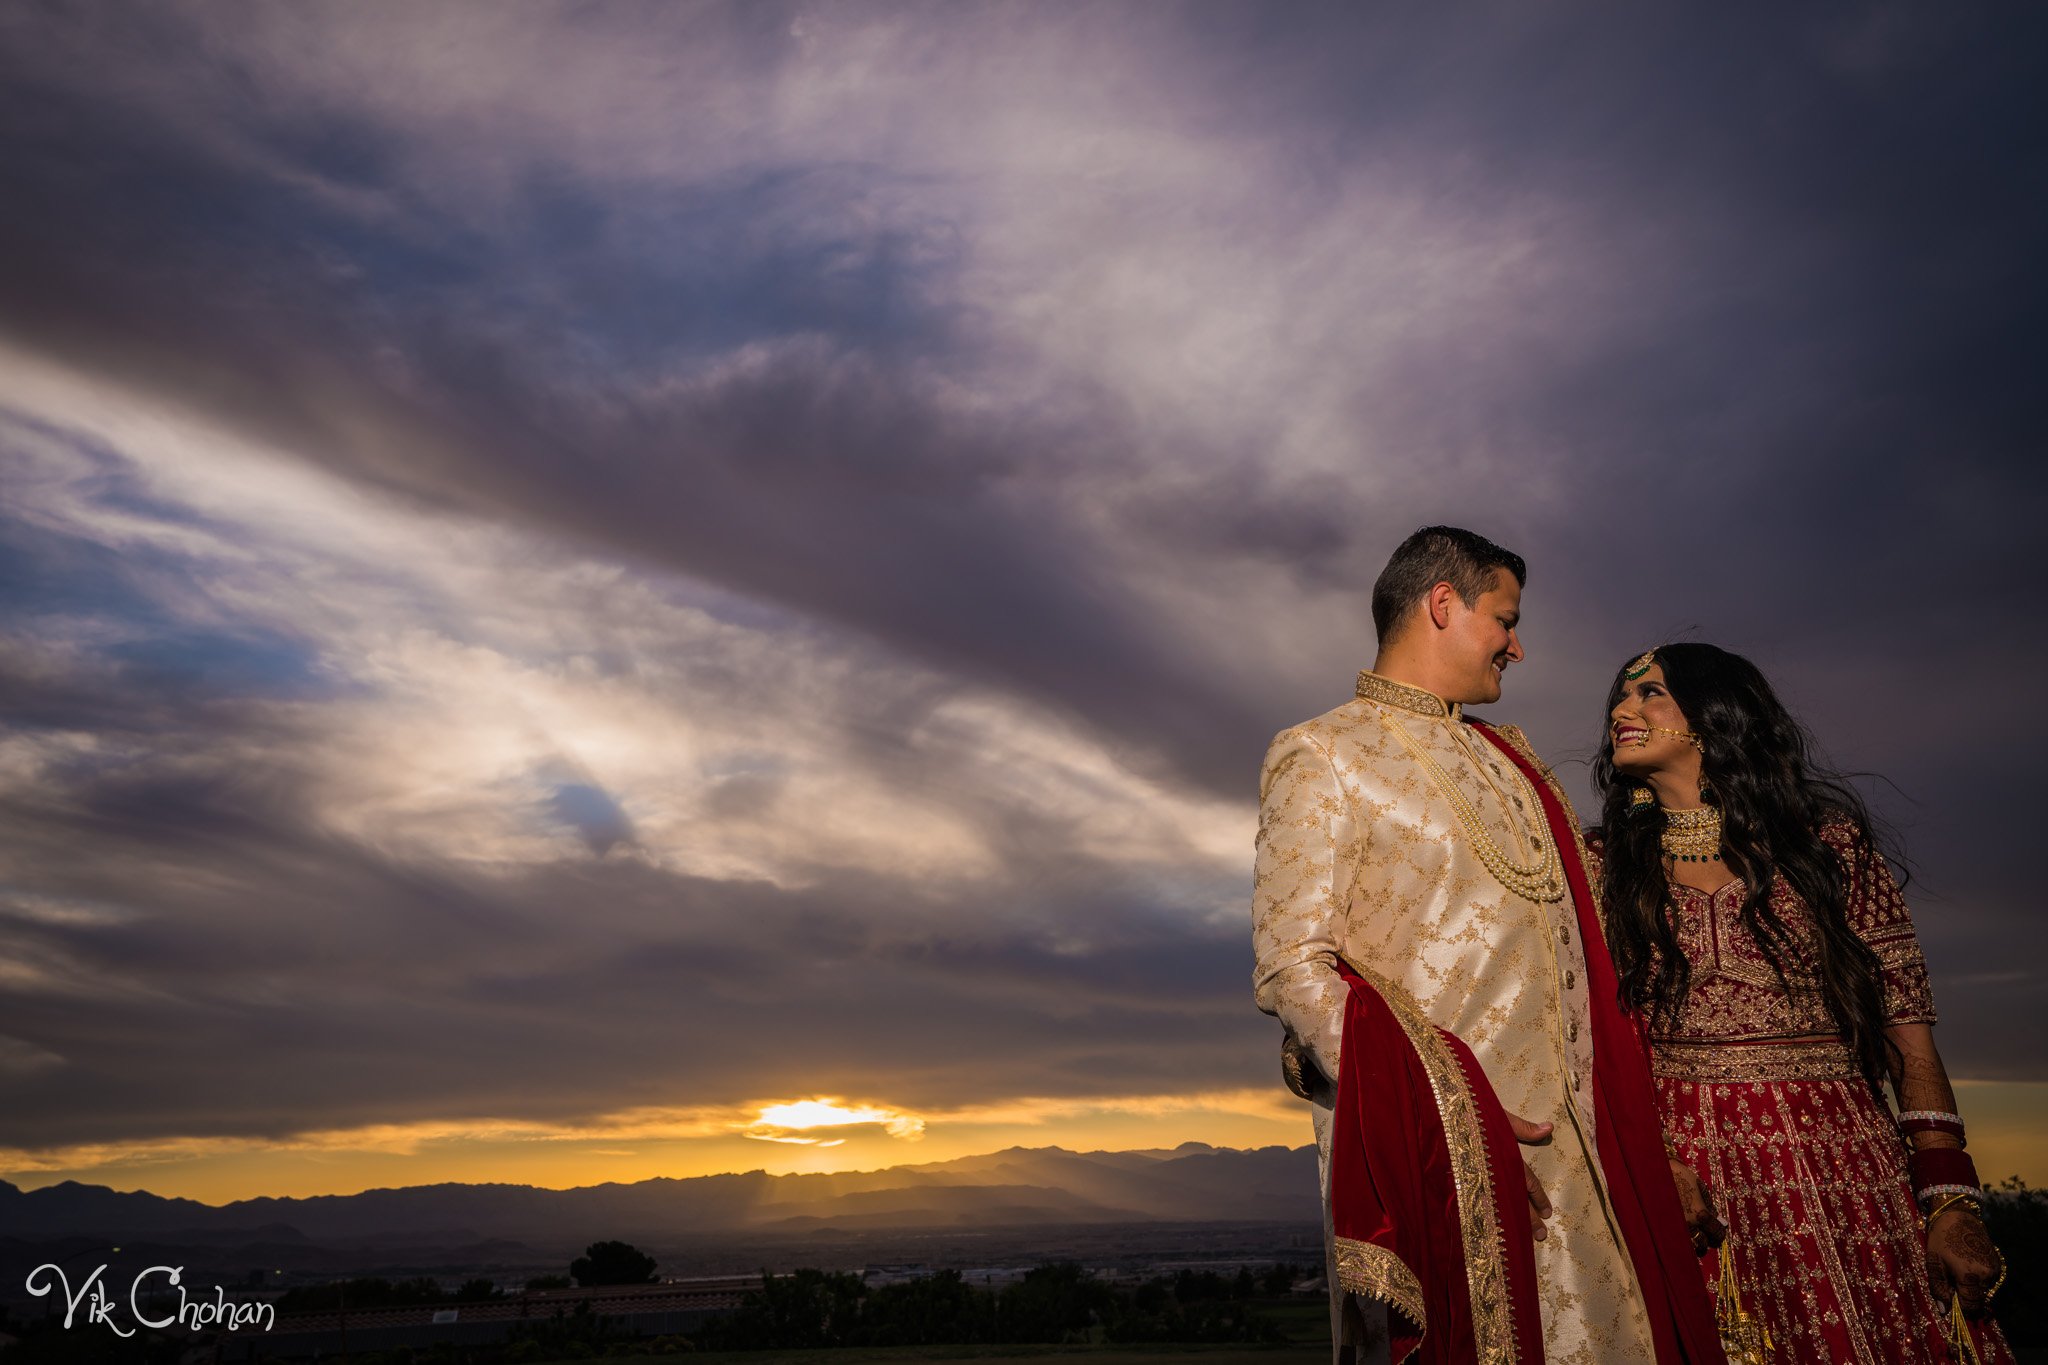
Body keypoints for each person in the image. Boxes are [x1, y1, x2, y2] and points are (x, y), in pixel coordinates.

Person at [1253, 526, 1722, 1365]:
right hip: (1449, 1167)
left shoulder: (1516, 764)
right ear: (1443, 604)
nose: (1519, 644)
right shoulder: (1323, 751)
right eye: (1505, 619)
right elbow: (1294, 966)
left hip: (1590, 1168)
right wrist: (1451, 1110)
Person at [1590, 642, 2012, 1364]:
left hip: (1842, 1171)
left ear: (1716, 716)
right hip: (1683, 1177)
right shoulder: (1599, 865)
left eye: (1650, 693)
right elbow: (1584, 1039)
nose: (1623, 711)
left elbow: (1909, 1043)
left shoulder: (1830, 850)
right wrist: (1650, 1160)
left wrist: (1951, 1203)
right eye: (1619, 700)